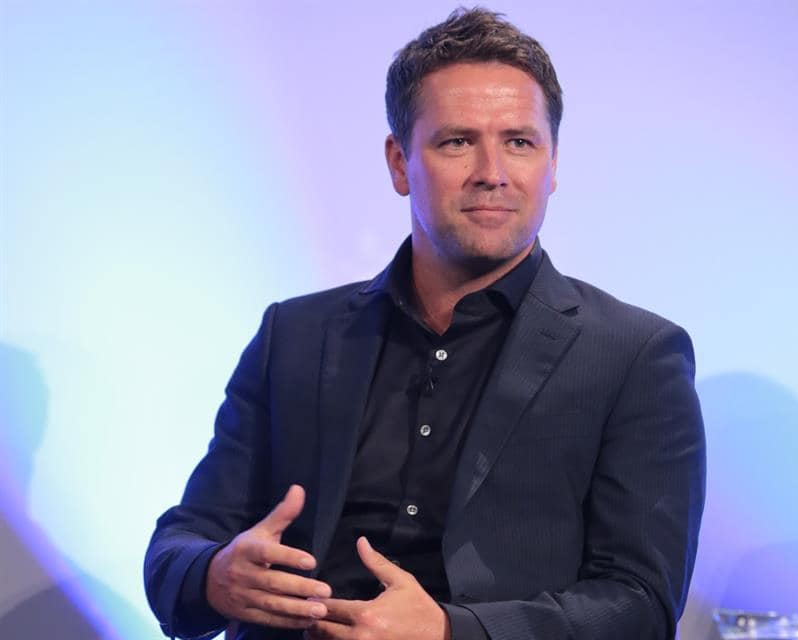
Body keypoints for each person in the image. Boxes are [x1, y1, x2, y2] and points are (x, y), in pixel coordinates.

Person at [144, 8, 705, 640]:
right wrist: (216, 574)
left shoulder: (634, 356)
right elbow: (182, 542)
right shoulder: (295, 336)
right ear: (398, 162)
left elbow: (639, 605)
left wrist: (451, 631)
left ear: (552, 165)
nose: (492, 172)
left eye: (519, 142)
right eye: (457, 141)